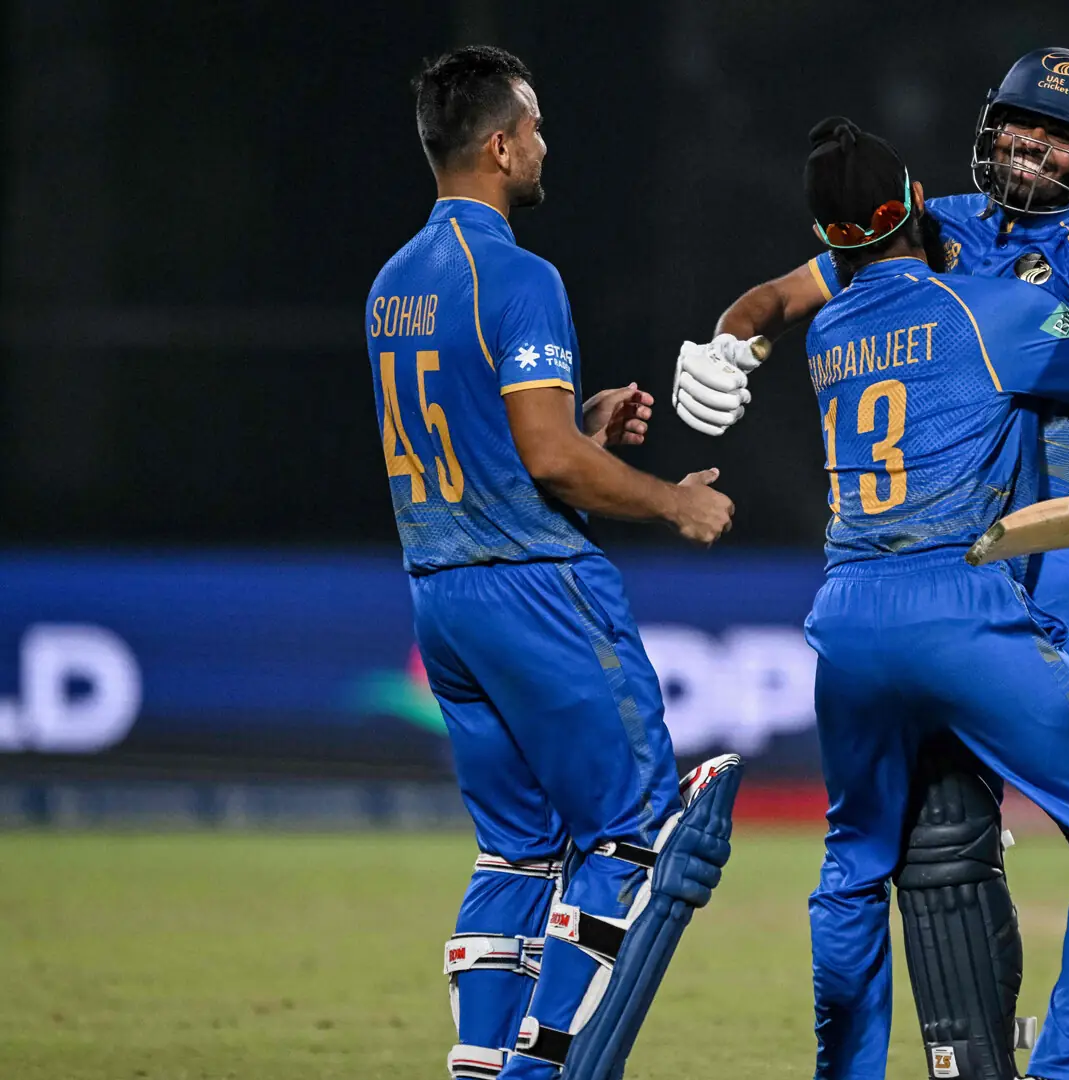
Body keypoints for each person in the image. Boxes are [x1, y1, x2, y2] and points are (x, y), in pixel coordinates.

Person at [675, 47, 1069, 1080]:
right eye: (1020, 125)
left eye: (1059, 135)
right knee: (958, 838)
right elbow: (773, 294)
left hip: (1044, 560)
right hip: (962, 574)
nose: (1032, 146)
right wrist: (727, 342)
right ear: (982, 134)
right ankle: (978, 1060)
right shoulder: (939, 229)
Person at [369, 46, 742, 1080]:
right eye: (532, 127)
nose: (542, 144)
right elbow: (543, 464)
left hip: (441, 598)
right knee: (632, 836)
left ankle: (483, 1066)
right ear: (498, 144)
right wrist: (673, 498)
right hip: (536, 589)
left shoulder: (393, 284)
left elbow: (494, 440)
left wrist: (582, 425)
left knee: (517, 852)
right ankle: (549, 1070)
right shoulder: (521, 276)